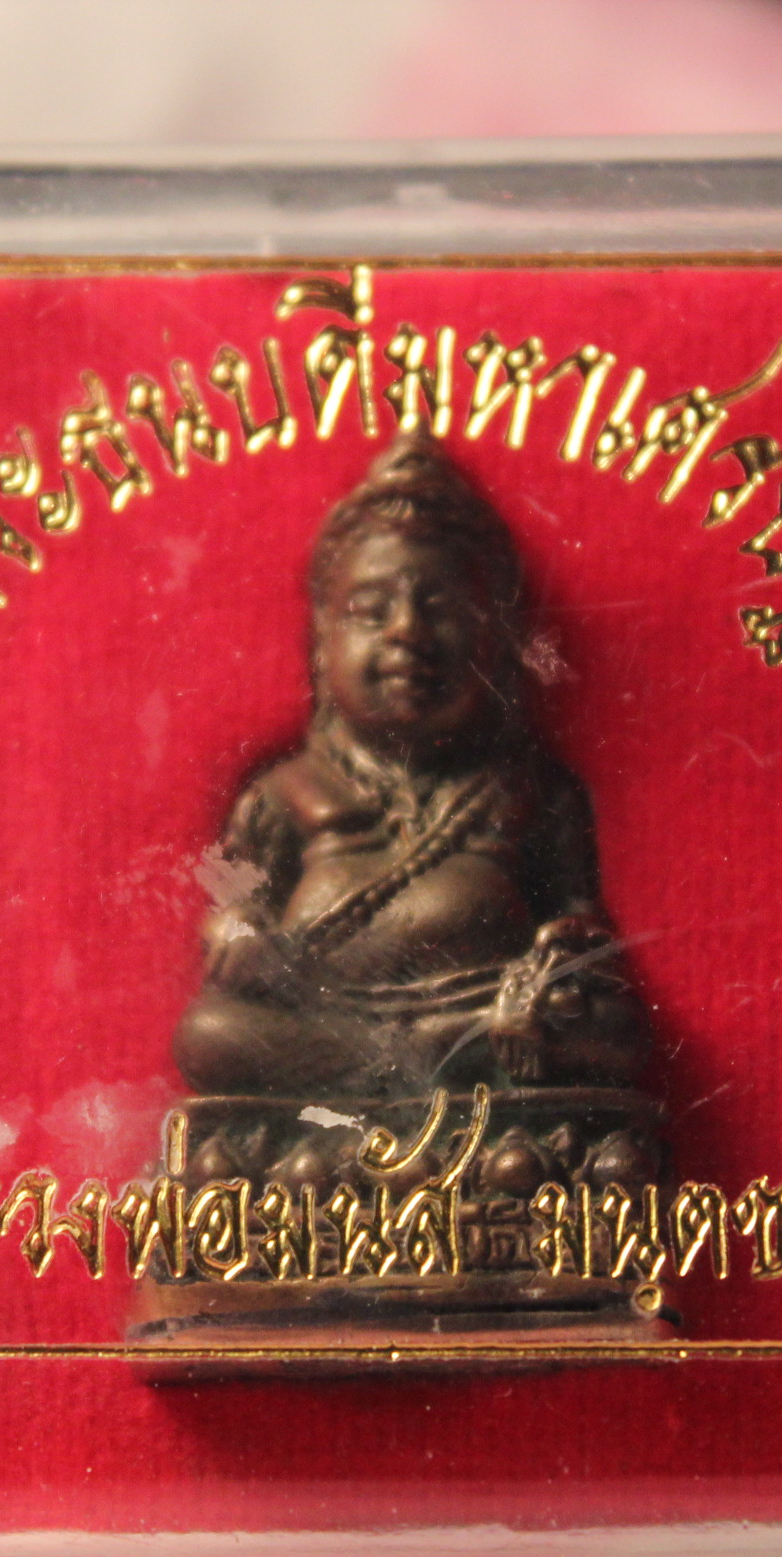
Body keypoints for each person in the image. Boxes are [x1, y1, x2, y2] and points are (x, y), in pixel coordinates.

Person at [171, 430, 653, 1117]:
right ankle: (424, 1059)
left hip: (485, 1007)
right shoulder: (285, 793)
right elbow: (228, 892)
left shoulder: (530, 790)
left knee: (608, 1028)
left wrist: (560, 961)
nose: (407, 632)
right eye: (372, 612)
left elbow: (579, 921)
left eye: (443, 609)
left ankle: (414, 1063)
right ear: (322, 640)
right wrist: (236, 930)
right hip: (335, 1017)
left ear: (498, 641)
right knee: (210, 1033)